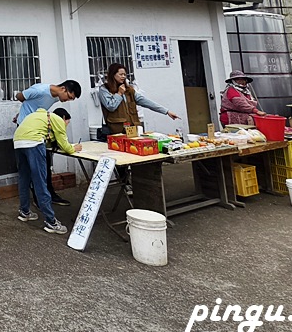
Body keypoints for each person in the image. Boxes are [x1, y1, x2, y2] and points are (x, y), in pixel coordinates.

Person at [12, 80, 82, 207]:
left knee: (44, 165)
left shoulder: (55, 97)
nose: (67, 101)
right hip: (27, 130)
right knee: (34, 169)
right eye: (69, 97)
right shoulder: (40, 91)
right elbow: (19, 96)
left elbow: (37, 107)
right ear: (64, 89)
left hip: (37, 129)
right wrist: (25, 111)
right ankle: (39, 201)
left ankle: (48, 196)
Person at [14, 107, 81, 235]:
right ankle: (51, 222)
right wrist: (74, 148)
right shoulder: (57, 120)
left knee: (24, 178)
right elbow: (65, 145)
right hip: (33, 143)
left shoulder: (37, 116)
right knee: (40, 181)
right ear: (64, 118)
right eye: (67, 123)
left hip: (18, 142)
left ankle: (24, 212)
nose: (65, 126)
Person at [97, 63, 180, 136]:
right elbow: (110, 106)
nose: (123, 77)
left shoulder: (129, 90)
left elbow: (146, 102)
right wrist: (119, 94)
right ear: (113, 75)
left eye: (124, 75)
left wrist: (166, 111)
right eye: (121, 74)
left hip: (132, 130)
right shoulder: (104, 89)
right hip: (116, 132)